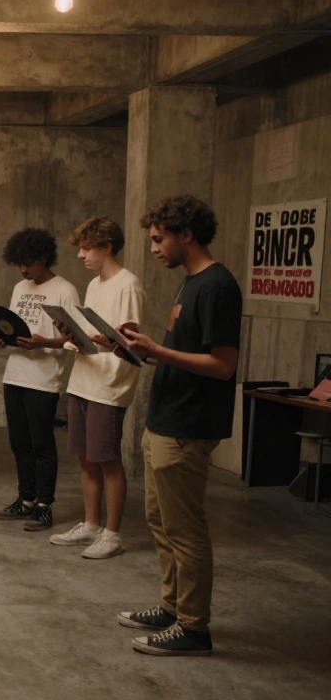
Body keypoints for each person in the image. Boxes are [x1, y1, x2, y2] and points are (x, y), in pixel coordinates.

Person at [117, 195, 241, 657]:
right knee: (161, 521)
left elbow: (222, 365)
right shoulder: (191, 283)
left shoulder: (216, 286)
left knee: (185, 529)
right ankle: (171, 608)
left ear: (185, 234)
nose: (153, 248)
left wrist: (157, 350)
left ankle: (193, 628)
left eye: (157, 239)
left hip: (188, 425)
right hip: (165, 420)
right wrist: (133, 348)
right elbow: (182, 351)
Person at [50, 217, 145, 559]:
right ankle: (91, 524)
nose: (81, 256)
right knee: (85, 458)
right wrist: (74, 335)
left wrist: (107, 342)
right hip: (84, 377)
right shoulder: (94, 285)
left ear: (106, 247)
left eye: (87, 249)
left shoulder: (128, 284)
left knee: (107, 459)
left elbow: (130, 343)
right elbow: (95, 334)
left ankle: (113, 534)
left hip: (109, 383)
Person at [0, 229, 79, 530]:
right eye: (19, 263)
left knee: (42, 444)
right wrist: (4, 339)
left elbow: (75, 341)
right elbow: (16, 329)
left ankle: (44, 506)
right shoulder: (19, 287)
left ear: (43, 258)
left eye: (28, 263)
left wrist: (44, 343)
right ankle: (25, 500)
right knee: (19, 442)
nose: (23, 269)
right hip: (15, 374)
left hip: (43, 379)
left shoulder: (65, 290)